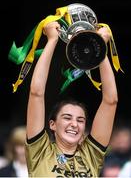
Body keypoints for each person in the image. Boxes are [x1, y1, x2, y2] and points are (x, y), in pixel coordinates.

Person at [25, 21, 118, 177]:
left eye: (80, 120)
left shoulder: (91, 155)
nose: (74, 124)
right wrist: (52, 40)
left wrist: (100, 47)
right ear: (52, 124)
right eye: (67, 118)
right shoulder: (39, 152)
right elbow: (36, 93)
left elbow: (111, 101)